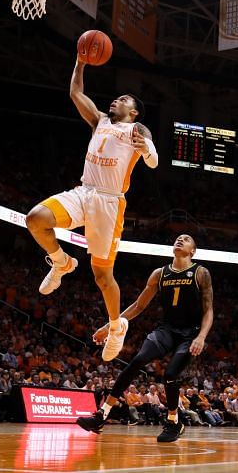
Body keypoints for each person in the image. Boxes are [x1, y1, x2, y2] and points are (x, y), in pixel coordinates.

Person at [25, 57, 158, 362]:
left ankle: (116, 327)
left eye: (123, 99)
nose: (116, 99)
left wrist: (145, 148)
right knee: (36, 219)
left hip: (109, 203)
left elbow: (153, 162)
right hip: (83, 191)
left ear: (133, 111)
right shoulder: (100, 120)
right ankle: (61, 262)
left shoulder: (137, 129)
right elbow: (75, 93)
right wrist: (80, 62)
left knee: (102, 276)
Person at [76, 234, 213, 443]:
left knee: (170, 374)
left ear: (193, 251)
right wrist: (109, 325)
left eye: (186, 239)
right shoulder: (160, 274)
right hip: (166, 329)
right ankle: (101, 415)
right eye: (177, 238)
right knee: (138, 360)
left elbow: (209, 310)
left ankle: (174, 421)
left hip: (191, 333)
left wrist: (201, 336)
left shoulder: (201, 273)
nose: (179, 240)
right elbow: (138, 306)